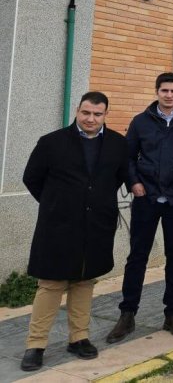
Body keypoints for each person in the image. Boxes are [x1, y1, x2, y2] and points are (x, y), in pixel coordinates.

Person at [20, 92, 130, 372]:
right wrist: (56, 204)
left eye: (97, 114)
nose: (90, 119)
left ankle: (78, 338)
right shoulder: (51, 142)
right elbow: (31, 177)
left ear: (106, 114)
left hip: (96, 227)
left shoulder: (118, 143)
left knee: (84, 282)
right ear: (78, 111)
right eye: (86, 113)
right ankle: (36, 345)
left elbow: (116, 177)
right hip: (58, 226)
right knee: (51, 284)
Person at [106, 72, 173, 344]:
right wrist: (134, 183)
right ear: (157, 91)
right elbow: (128, 157)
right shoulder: (141, 121)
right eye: (164, 90)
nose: (169, 95)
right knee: (137, 256)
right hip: (146, 198)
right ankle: (127, 314)